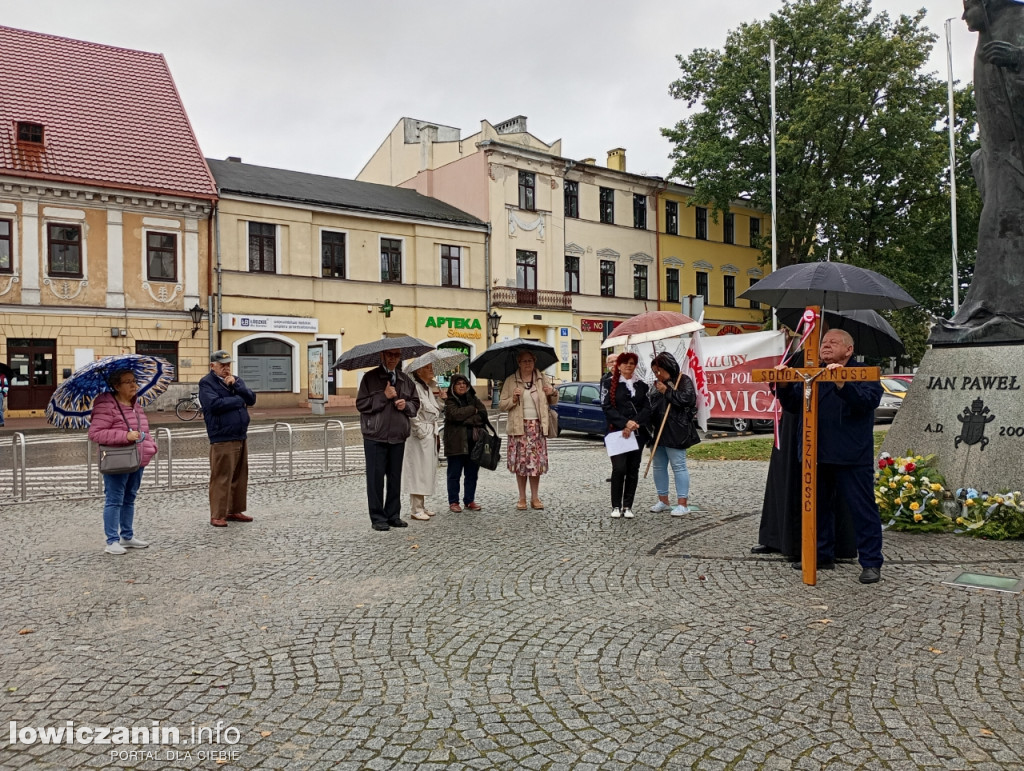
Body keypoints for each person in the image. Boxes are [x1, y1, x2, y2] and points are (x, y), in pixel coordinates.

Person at [773, 329, 884, 584]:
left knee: (862, 509)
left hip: (852, 455)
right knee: (817, 509)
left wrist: (842, 384)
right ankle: (820, 555)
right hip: (816, 452)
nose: (826, 346)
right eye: (823, 342)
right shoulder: (813, 372)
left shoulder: (863, 372)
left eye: (833, 342)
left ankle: (871, 562)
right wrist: (783, 385)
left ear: (849, 350)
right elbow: (795, 405)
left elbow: (869, 401)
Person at [753, 347, 857, 561]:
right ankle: (779, 538)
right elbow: (787, 392)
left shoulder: (839, 358)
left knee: (823, 489)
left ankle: (827, 547)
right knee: (785, 480)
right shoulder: (800, 351)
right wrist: (781, 381)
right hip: (793, 426)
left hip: (825, 427)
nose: (825, 345)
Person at [88, 369, 158, 554]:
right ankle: (111, 541)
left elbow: (145, 430)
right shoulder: (105, 404)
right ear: (117, 386)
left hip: (137, 459)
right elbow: (95, 433)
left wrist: (151, 445)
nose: (134, 385)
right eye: (128, 382)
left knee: (130, 498)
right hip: (116, 459)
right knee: (114, 499)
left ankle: (127, 536)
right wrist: (125, 435)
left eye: (134, 380)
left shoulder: (136, 404)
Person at [357, 348, 420, 531]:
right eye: (390, 355)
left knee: (394, 478)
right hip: (375, 435)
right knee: (375, 479)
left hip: (397, 436)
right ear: (382, 356)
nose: (393, 358)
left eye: (397, 355)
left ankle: (393, 514)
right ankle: (377, 517)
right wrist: (383, 396)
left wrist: (405, 405)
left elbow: (415, 405)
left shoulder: (405, 380)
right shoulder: (370, 378)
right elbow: (361, 404)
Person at [199, 350, 257, 528]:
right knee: (221, 476)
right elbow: (214, 405)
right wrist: (239, 400)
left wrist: (237, 387)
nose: (226, 368)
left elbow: (252, 398)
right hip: (222, 435)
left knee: (239, 475)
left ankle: (234, 510)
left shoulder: (235, 380)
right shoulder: (206, 383)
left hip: (240, 434)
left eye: (228, 364)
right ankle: (217, 514)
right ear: (213, 366)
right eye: (222, 365)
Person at [499, 350, 558, 510]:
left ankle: (535, 497)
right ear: (519, 363)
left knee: (535, 465)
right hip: (519, 428)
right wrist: (513, 399)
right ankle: (522, 498)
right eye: (524, 361)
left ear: (534, 361)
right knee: (521, 464)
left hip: (537, 428)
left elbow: (553, 400)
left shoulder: (541, 379)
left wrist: (552, 392)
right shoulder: (511, 380)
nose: (528, 364)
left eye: (530, 361)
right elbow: (502, 404)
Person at [647, 351, 700, 517]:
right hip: (658, 431)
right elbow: (650, 403)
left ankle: (682, 503)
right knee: (658, 466)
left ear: (667, 367)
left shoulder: (683, 380)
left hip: (676, 431)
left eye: (658, 370)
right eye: (654, 371)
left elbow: (688, 399)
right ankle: (663, 500)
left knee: (678, 466)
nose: (657, 374)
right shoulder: (656, 384)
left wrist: (667, 391)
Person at [601, 352, 650, 519]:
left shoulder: (641, 385)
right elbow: (607, 407)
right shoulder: (609, 384)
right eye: (625, 363)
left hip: (637, 433)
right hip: (617, 432)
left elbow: (646, 408)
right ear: (619, 366)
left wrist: (635, 422)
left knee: (632, 469)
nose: (628, 365)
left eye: (632, 363)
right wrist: (624, 423)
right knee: (619, 468)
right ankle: (616, 505)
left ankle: (628, 505)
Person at [403, 363, 442, 521]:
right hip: (420, 435)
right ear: (419, 371)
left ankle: (421, 504)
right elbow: (413, 412)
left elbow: (434, 411)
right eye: (428, 368)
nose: (432, 370)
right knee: (418, 470)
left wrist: (441, 399)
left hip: (429, 432)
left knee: (426, 470)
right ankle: (416, 508)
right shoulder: (415, 388)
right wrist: (420, 431)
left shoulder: (427, 388)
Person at [443, 373, 488, 512]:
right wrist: (471, 410)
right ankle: (453, 501)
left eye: (464, 383)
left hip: (474, 444)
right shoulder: (450, 401)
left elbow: (483, 415)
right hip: (456, 443)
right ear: (453, 386)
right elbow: (455, 415)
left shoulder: (474, 399)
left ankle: (469, 500)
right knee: (454, 474)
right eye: (458, 383)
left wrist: (467, 419)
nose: (462, 386)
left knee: (472, 474)